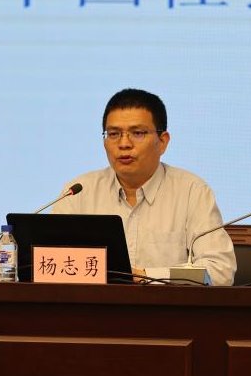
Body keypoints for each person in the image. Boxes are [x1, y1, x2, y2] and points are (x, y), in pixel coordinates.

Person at [52, 88, 236, 286]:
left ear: (162, 142)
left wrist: (145, 276)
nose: (124, 143)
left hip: (165, 305)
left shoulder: (192, 192)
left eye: (137, 133)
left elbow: (219, 270)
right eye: (113, 134)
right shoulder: (78, 192)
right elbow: (48, 262)